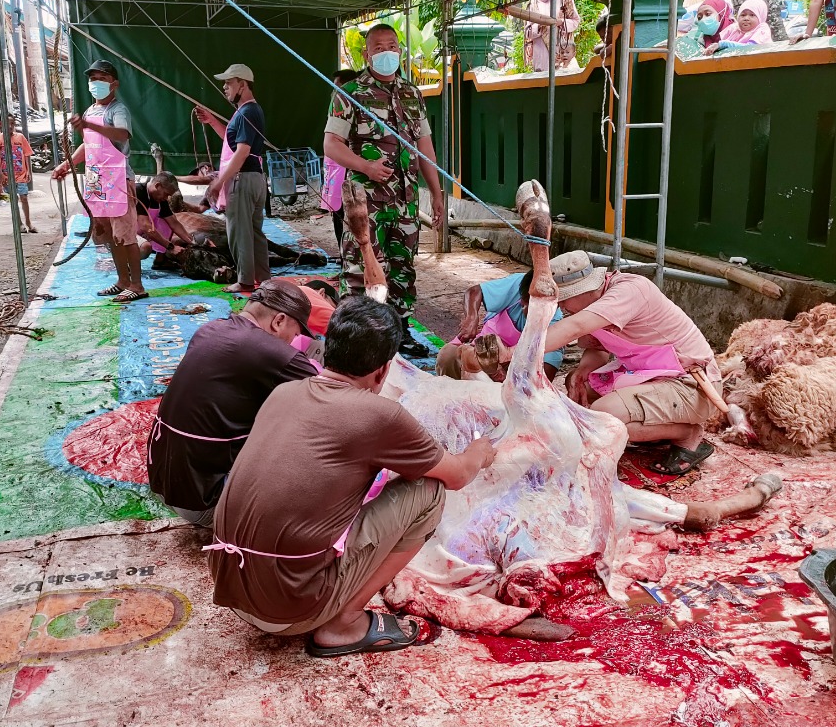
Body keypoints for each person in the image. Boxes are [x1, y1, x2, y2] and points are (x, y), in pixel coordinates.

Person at [207, 296, 497, 656]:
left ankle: (323, 597)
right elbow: (456, 476)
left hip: (230, 585)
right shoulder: (379, 415)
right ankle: (343, 622)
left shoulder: (284, 391)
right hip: (286, 609)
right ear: (383, 371)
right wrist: (479, 452)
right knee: (429, 490)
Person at [534, 251, 721, 476]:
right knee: (581, 385)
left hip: (691, 384)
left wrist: (514, 352)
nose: (561, 306)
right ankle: (658, 431)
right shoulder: (591, 302)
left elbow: (575, 327)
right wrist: (583, 370)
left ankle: (687, 435)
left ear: (585, 287)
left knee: (603, 416)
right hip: (650, 374)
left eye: (564, 299)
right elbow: (596, 347)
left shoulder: (630, 289)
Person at [148, 279, 317, 529]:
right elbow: (334, 399)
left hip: (165, 485)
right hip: (207, 503)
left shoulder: (210, 328)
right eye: (295, 334)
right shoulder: (274, 353)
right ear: (279, 321)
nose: (293, 342)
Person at [323, 23, 446, 358]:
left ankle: (400, 332)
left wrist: (436, 193)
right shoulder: (350, 93)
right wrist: (366, 167)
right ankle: (358, 339)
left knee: (402, 267)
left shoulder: (412, 93)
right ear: (367, 54)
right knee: (362, 267)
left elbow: (425, 149)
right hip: (367, 205)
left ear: (400, 50)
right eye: (379, 47)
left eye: (392, 45)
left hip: (404, 203)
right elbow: (331, 144)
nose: (387, 52)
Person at [52, 60, 145, 304]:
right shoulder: (90, 111)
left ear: (114, 84)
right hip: (97, 179)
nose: (96, 84)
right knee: (108, 233)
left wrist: (89, 125)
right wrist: (67, 165)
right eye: (93, 79)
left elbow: (122, 134)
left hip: (117, 179)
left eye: (101, 79)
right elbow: (88, 143)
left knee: (125, 233)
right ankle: (122, 280)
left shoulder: (118, 110)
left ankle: (137, 284)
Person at [194, 64, 269, 294]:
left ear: (243, 84)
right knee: (254, 232)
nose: (225, 87)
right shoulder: (247, 112)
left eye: (229, 82)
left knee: (238, 232)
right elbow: (232, 141)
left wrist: (218, 181)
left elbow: (242, 151)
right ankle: (263, 279)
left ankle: (245, 281)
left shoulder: (247, 111)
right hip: (254, 178)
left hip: (242, 180)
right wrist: (211, 121)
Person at [437, 270, 565, 382]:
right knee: (448, 355)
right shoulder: (524, 283)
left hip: (514, 369)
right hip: (481, 349)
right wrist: (471, 318)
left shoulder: (557, 327)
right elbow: (474, 291)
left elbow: (543, 377)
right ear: (522, 299)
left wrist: (503, 376)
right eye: (527, 304)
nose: (524, 307)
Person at [321, 69, 359, 254]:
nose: (336, 93)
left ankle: (350, 263)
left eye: (339, 88)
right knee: (337, 218)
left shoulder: (357, 111)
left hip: (350, 175)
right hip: (335, 173)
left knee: (349, 221)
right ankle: (343, 260)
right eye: (334, 88)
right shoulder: (336, 111)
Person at [524, 0, 581, 71]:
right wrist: (540, 26)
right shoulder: (533, 3)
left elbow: (575, 21)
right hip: (541, 57)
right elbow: (527, 32)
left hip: (562, 53)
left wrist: (560, 22)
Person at [135, 171, 194, 272]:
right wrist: (171, 247)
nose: (166, 198)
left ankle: (160, 261)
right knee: (145, 247)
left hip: (142, 232)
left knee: (167, 221)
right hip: (124, 233)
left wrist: (193, 242)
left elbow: (174, 223)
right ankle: (127, 262)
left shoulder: (160, 200)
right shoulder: (138, 191)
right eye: (166, 194)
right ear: (158, 185)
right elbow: (145, 226)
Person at [0, 123, 36, 233]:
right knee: (13, 198)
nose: (9, 126)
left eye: (11, 124)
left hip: (21, 174)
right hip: (7, 175)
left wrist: (29, 171)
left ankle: (28, 222)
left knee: (24, 197)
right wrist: (1, 173)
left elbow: (27, 154)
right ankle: (19, 223)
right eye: (7, 124)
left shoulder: (20, 137)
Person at [703, 0, 775, 55]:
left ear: (760, 16)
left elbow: (751, 48)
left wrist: (724, 44)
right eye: (743, 15)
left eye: (752, 15)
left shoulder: (762, 29)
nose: (746, 18)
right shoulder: (734, 28)